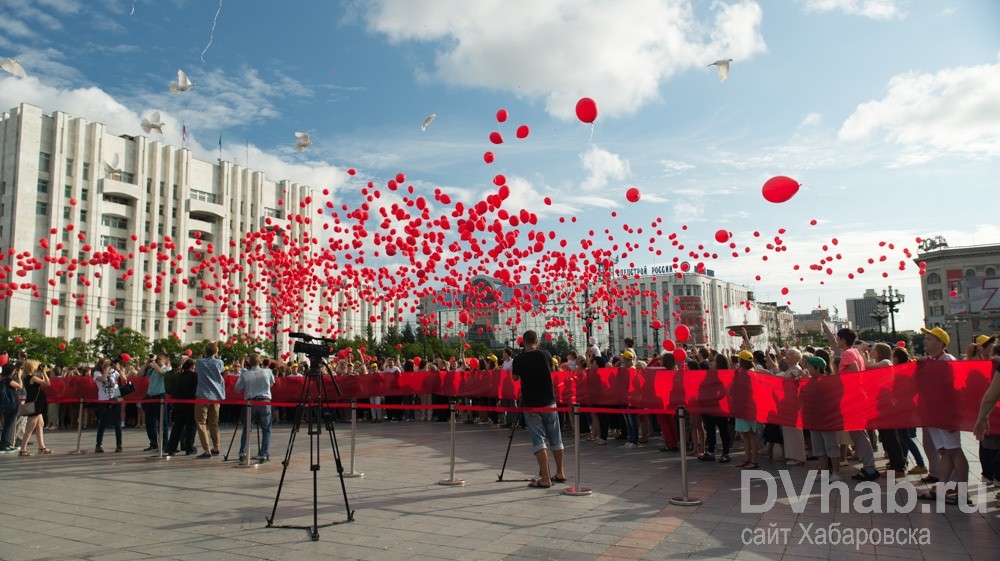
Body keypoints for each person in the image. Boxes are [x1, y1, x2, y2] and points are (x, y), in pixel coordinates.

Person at [917, 326, 970, 504]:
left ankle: (963, 493)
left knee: (954, 450)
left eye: (929, 339)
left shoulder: (948, 359)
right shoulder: (930, 360)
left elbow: (951, 388)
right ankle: (942, 489)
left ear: (941, 343)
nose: (925, 341)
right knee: (945, 451)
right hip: (934, 413)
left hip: (946, 413)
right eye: (925, 338)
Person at [511, 330, 566, 488]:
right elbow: (552, 370)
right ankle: (560, 472)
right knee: (556, 438)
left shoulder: (519, 359)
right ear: (537, 341)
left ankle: (545, 478)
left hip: (531, 404)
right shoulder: (546, 354)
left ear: (524, 343)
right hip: (549, 402)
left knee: (539, 440)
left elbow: (515, 378)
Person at [835, 328, 880, 481]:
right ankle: (869, 466)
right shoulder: (855, 352)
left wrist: (854, 393)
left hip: (852, 397)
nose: (836, 341)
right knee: (860, 434)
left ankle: (869, 468)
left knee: (858, 434)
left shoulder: (848, 353)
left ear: (843, 339)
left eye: (838, 338)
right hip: (856, 396)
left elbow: (855, 375)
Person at [235, 354, 275, 463]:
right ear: (260, 362)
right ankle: (263, 454)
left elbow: (238, 388)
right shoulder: (267, 371)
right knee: (266, 429)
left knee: (247, 428)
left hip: (251, 402)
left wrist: (243, 374)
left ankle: (242, 452)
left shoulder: (246, 374)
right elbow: (271, 384)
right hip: (264, 401)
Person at [194, 343, 226, 459]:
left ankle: (207, 449)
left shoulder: (199, 362)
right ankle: (216, 446)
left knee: (201, 422)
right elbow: (221, 371)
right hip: (216, 395)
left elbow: (196, 372)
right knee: (214, 423)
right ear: (216, 352)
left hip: (203, 394)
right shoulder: (219, 362)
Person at [165, 358, 198, 456]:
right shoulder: (194, 376)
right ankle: (189, 448)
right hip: (190, 404)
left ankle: (171, 447)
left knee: (177, 427)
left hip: (177, 404)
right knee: (191, 426)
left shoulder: (177, 376)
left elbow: (172, 389)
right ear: (192, 367)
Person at [17, 360, 50, 456]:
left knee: (40, 424)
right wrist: (44, 372)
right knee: (30, 427)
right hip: (35, 404)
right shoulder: (33, 378)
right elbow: (47, 383)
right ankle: (22, 449)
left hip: (36, 403)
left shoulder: (28, 377)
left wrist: (41, 373)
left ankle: (41, 447)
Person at [93, 358, 126, 453]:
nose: (108, 365)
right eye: (106, 363)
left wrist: (118, 369)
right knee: (103, 423)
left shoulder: (114, 372)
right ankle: (98, 445)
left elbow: (124, 379)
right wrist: (106, 369)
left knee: (117, 423)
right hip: (103, 399)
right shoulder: (97, 373)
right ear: (101, 364)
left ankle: (119, 445)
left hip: (115, 398)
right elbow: (103, 379)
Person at [142, 354, 171, 452]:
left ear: (166, 361)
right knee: (150, 422)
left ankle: (164, 444)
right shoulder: (153, 369)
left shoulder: (166, 369)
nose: (158, 359)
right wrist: (147, 362)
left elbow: (161, 372)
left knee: (162, 422)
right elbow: (139, 374)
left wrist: (154, 362)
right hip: (150, 397)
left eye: (160, 358)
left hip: (160, 397)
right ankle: (153, 443)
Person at [1, 362, 22, 452]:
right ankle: (4, 444)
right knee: (8, 425)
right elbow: (20, 387)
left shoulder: (1, 378)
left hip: (4, 404)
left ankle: (5, 443)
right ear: (11, 371)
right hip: (11, 404)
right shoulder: (8, 380)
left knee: (6, 424)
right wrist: (19, 377)